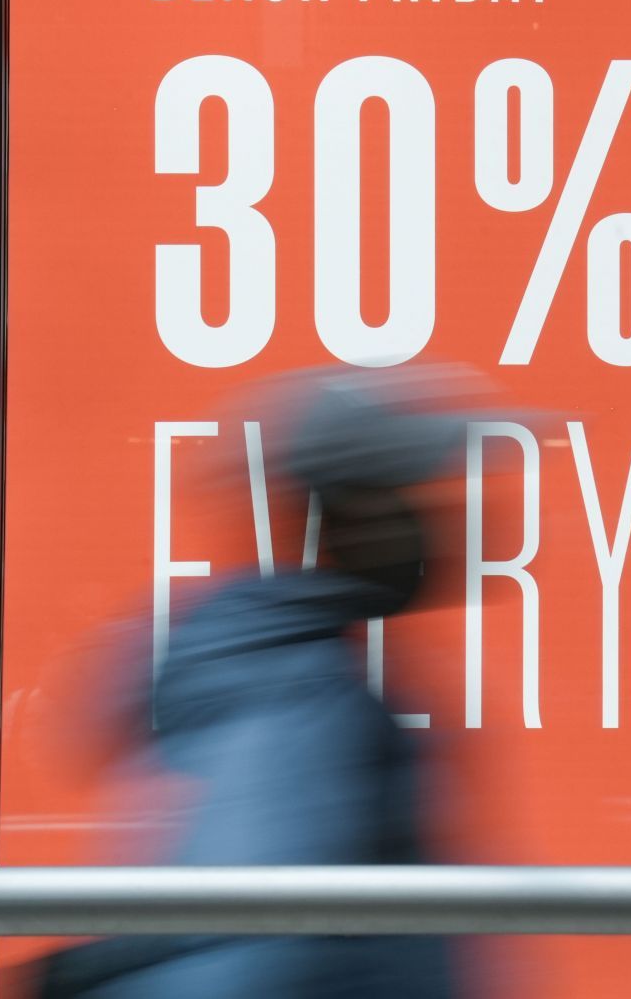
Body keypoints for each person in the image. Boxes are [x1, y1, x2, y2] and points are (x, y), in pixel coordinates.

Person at [35, 367, 481, 999]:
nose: (440, 519)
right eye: (412, 494)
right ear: (346, 516)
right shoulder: (297, 693)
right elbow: (241, 949)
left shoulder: (311, 671)